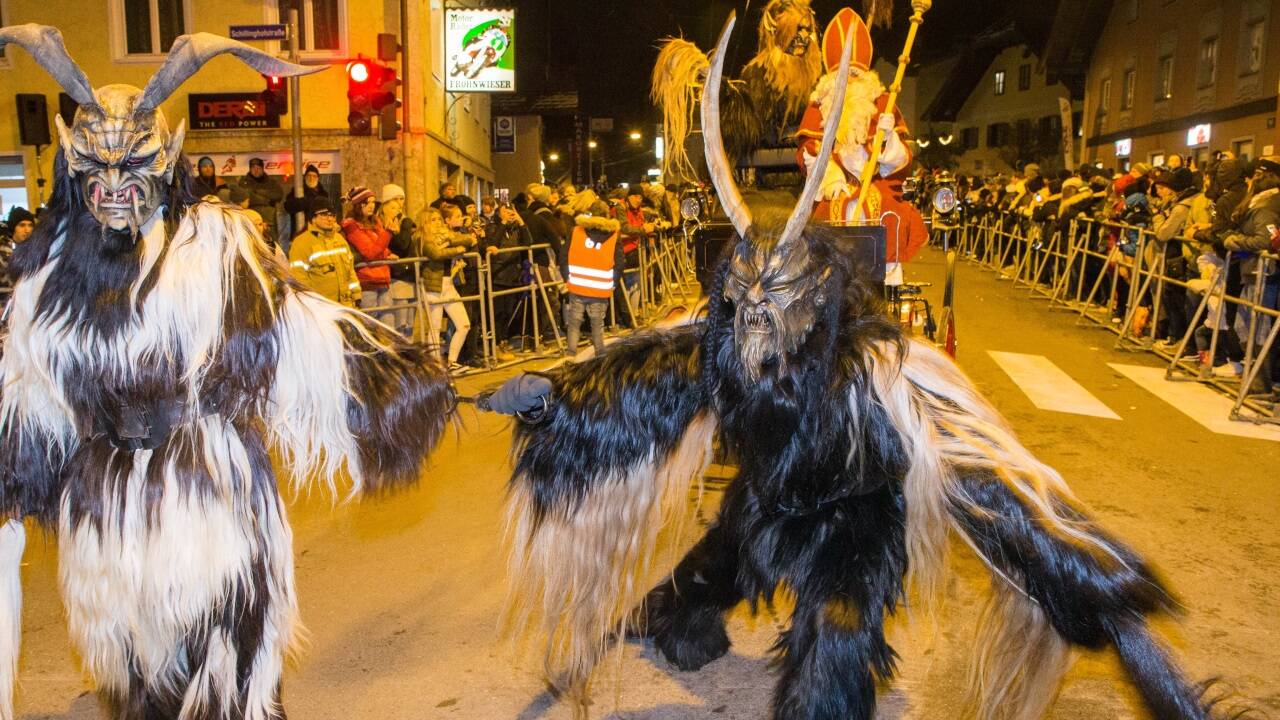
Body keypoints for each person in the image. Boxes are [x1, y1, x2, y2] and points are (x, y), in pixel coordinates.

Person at [794, 7, 927, 269]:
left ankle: (885, 278)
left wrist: (889, 140)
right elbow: (809, 151)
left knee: (885, 210)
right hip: (833, 189)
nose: (850, 82)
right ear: (831, 78)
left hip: (876, 184)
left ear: (866, 75)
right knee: (824, 218)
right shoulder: (818, 105)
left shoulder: (884, 103)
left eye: (855, 75)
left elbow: (901, 162)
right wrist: (831, 176)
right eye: (844, 76)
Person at [343, 186, 413, 335]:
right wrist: (388, 232)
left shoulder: (374, 221)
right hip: (367, 282)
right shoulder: (351, 225)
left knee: (388, 327)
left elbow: (380, 246)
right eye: (367, 203)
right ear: (358, 205)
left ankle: (386, 357)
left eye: (373, 202)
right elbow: (370, 252)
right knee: (371, 326)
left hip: (382, 278)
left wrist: (388, 253)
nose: (371, 206)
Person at [561, 194, 623, 357]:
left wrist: (567, 276)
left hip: (577, 285)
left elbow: (564, 255)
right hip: (600, 288)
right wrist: (612, 283)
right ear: (606, 215)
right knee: (597, 324)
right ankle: (600, 357)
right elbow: (620, 263)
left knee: (574, 323)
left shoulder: (577, 231)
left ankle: (570, 356)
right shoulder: (614, 235)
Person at [417, 206, 476, 370]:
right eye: (433, 220)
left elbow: (465, 239)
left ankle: (451, 361)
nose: (437, 223)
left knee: (464, 324)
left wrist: (449, 242)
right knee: (434, 328)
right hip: (432, 286)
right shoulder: (422, 238)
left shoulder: (444, 235)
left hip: (448, 284)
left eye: (439, 219)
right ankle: (435, 365)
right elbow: (435, 253)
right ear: (425, 223)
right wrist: (456, 249)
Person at [288, 196, 361, 307]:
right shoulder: (301, 243)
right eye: (323, 214)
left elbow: (350, 272)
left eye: (332, 215)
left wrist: (356, 296)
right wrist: (311, 303)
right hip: (321, 308)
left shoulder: (340, 240)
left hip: (345, 306)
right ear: (312, 218)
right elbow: (299, 278)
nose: (329, 218)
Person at [484, 202, 533, 359]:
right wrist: (503, 223)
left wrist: (521, 222)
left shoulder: (516, 229)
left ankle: (503, 342)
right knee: (498, 313)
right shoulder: (493, 227)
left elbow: (528, 243)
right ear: (499, 214)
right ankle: (496, 345)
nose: (509, 215)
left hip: (513, 276)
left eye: (511, 212)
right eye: (505, 212)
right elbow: (493, 242)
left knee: (508, 312)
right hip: (498, 276)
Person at [238, 157, 285, 243]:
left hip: (269, 221)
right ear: (250, 169)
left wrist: (258, 191)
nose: (256, 170)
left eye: (258, 168)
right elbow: (246, 197)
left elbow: (278, 195)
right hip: (251, 220)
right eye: (253, 168)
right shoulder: (243, 182)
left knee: (271, 245)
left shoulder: (271, 182)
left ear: (262, 169)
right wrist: (267, 200)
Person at [283, 163, 330, 228]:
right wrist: (303, 202)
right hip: (300, 229)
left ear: (318, 178)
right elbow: (287, 206)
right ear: (305, 177)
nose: (311, 178)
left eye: (314, 176)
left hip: (318, 229)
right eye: (309, 176)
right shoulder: (296, 191)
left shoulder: (323, 194)